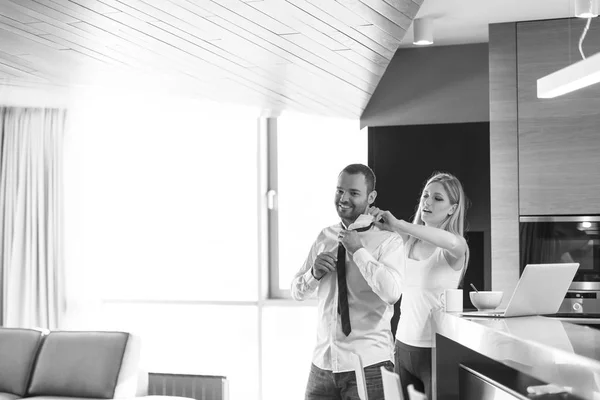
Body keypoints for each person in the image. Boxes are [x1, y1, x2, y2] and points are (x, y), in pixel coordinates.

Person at [292, 163, 405, 400]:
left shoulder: (388, 241)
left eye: (353, 193)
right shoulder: (325, 236)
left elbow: (392, 293)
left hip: (369, 365)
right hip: (322, 365)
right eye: (339, 190)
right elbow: (297, 291)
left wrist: (359, 251)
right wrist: (314, 274)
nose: (343, 198)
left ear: (370, 197)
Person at [369, 172, 470, 399]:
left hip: (437, 351)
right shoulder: (408, 242)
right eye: (425, 195)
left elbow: (451, 240)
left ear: (452, 209)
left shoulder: (454, 247)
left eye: (437, 198)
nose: (427, 202)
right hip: (403, 346)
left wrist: (399, 224)